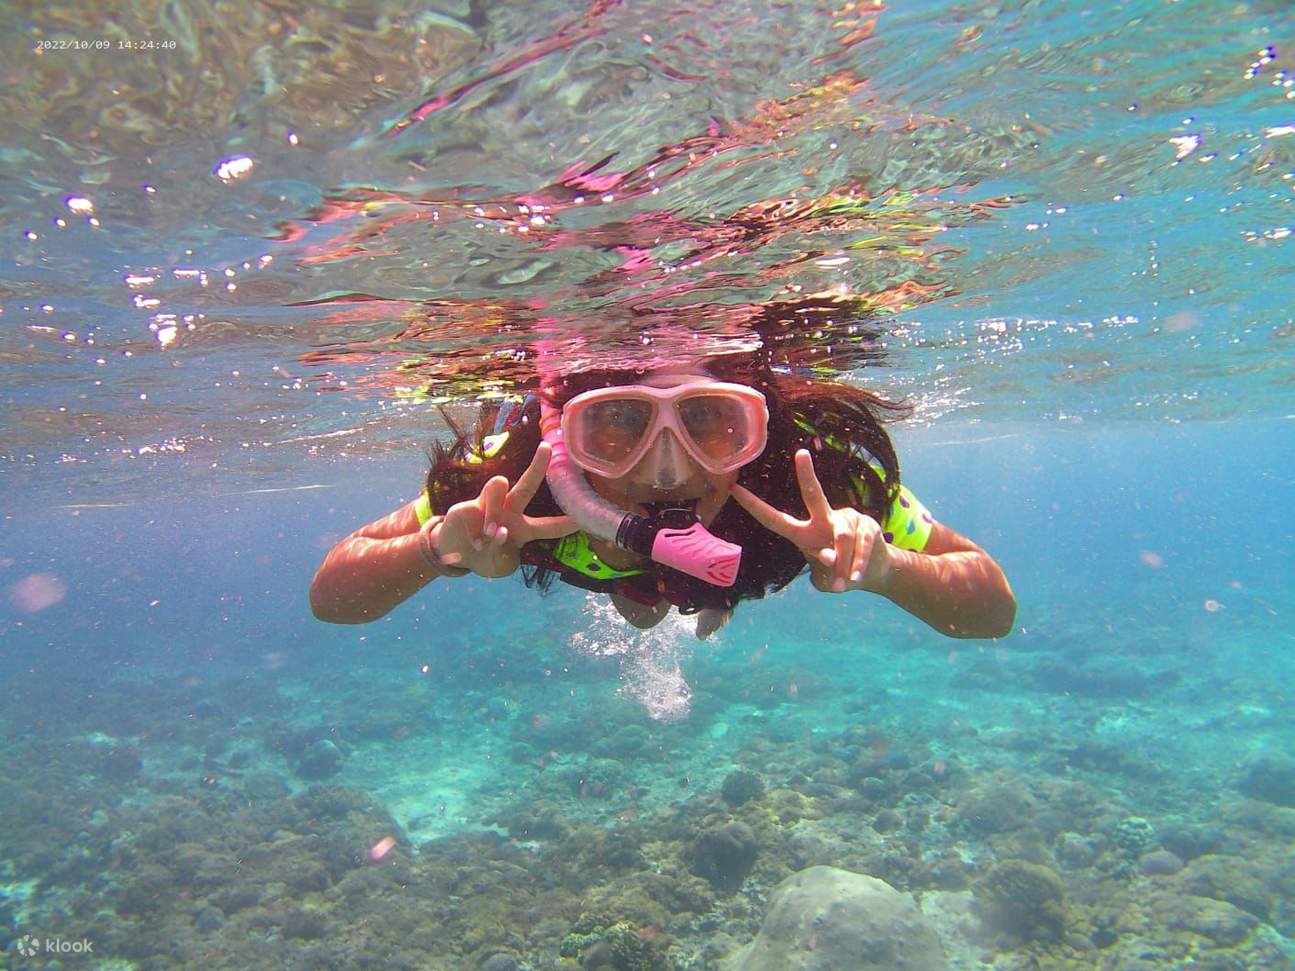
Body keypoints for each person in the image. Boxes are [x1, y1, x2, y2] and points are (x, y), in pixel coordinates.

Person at [310, 354, 1015, 640]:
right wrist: (436, 549)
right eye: (617, 423)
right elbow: (331, 596)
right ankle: (647, 593)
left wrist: (888, 569)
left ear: (757, 425)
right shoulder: (512, 481)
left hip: (743, 559)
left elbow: (992, 608)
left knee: (705, 591)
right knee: (641, 604)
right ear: (567, 436)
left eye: (710, 420)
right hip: (615, 564)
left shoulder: (813, 479)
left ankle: (703, 595)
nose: (669, 471)